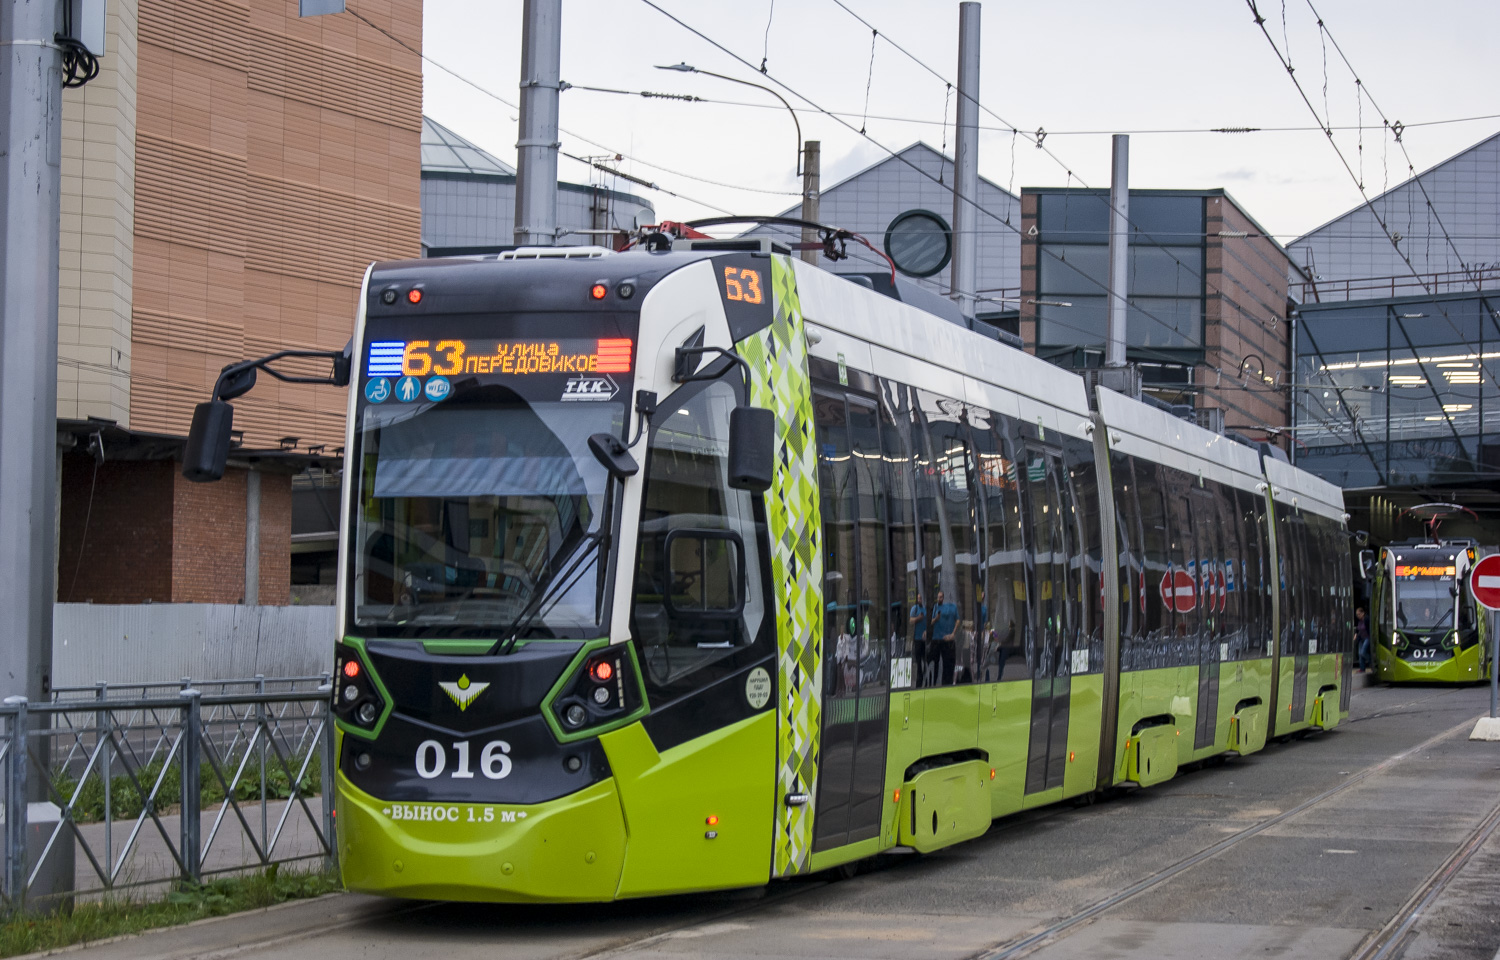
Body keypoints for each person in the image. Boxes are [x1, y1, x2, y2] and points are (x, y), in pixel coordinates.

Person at [931, 589, 959, 686]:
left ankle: (947, 683)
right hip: (937, 639)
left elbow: (958, 621)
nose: (939, 599)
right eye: (938, 597)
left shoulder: (953, 607)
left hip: (947, 639)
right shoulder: (935, 607)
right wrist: (936, 618)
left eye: (941, 597)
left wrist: (953, 634)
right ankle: (934, 683)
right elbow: (932, 622)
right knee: (935, 663)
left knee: (948, 664)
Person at [1355, 605, 1371, 672]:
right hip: (1361, 638)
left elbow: (1369, 628)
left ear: (1363, 613)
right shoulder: (1359, 621)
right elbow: (1358, 629)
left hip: (1367, 637)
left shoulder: (1366, 619)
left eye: (1359, 614)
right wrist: (1356, 634)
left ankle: (1371, 661)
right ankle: (1362, 668)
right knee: (1360, 654)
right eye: (1357, 615)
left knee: (1363, 652)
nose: (1358, 616)